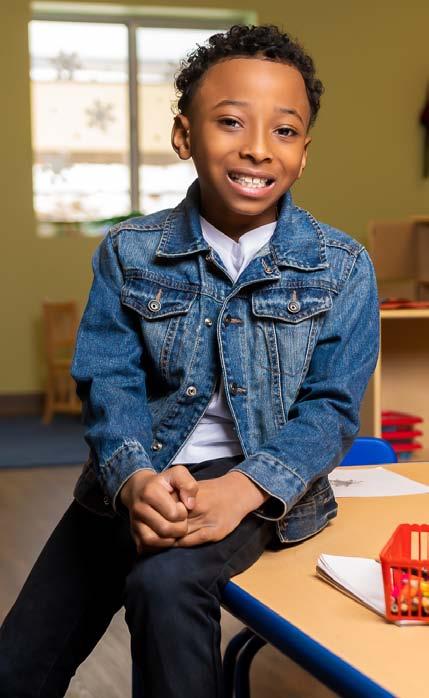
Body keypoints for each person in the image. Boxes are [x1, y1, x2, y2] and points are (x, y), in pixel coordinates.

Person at [0, 24, 379, 698]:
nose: (257, 147)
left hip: (254, 484)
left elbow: (330, 409)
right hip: (133, 475)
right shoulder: (128, 251)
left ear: (303, 154)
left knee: (165, 585)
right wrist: (133, 480)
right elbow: (109, 380)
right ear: (183, 136)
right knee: (18, 664)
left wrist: (241, 489)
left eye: (284, 130)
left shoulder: (341, 266)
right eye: (230, 121)